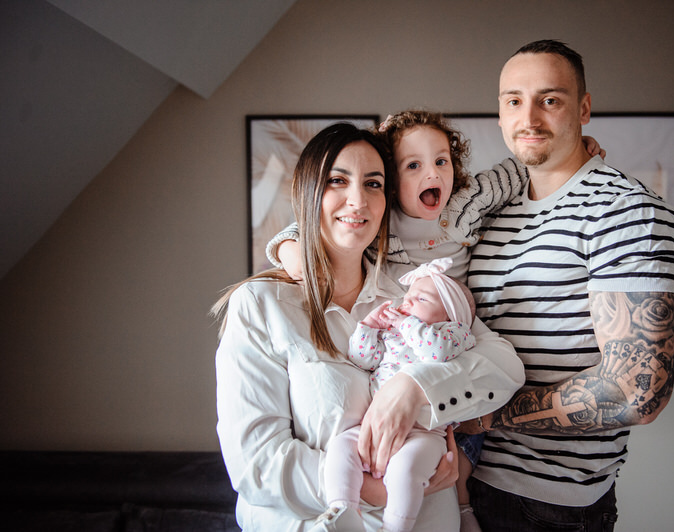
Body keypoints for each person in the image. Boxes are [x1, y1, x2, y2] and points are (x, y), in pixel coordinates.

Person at [267, 110, 603, 532]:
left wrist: (572, 150)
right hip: (408, 335)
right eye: (413, 165)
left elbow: (514, 172)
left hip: (451, 322)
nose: (432, 173)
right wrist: (290, 252)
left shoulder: (463, 206)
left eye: (441, 161)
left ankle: (461, 508)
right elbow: (316, 219)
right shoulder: (382, 226)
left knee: (459, 455)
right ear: (392, 184)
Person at [212, 122, 525, 532]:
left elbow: (505, 368)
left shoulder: (411, 295)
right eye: (337, 180)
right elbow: (256, 466)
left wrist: (413, 389)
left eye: (373, 184)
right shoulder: (261, 306)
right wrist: (378, 491)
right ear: (307, 192)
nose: (358, 200)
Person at [459, 40, 674, 531]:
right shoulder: (491, 210)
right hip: (456, 483)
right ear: (499, 112)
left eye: (550, 99)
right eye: (514, 100)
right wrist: (293, 241)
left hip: (547, 507)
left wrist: (486, 415)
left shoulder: (626, 211)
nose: (529, 118)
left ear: (583, 109)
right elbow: (391, 230)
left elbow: (636, 392)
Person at [316, 258, 476, 532]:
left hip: (425, 433)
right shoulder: (394, 335)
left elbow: (435, 352)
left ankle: (394, 527)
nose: (408, 301)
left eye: (421, 298)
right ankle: (343, 508)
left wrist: (406, 325)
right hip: (376, 426)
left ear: (451, 314)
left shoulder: (453, 333)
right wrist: (368, 327)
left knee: (406, 470)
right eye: (408, 295)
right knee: (341, 448)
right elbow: (363, 360)